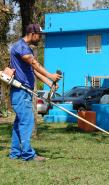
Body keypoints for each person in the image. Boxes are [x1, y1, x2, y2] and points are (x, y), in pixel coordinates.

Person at [9, 23, 61, 161]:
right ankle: (28, 154)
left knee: (19, 122)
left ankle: (15, 153)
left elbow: (34, 71)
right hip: (20, 91)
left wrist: (50, 83)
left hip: (23, 92)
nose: (40, 38)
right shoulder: (20, 47)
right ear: (32, 34)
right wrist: (51, 75)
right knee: (27, 121)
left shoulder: (26, 49)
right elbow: (34, 64)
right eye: (39, 35)